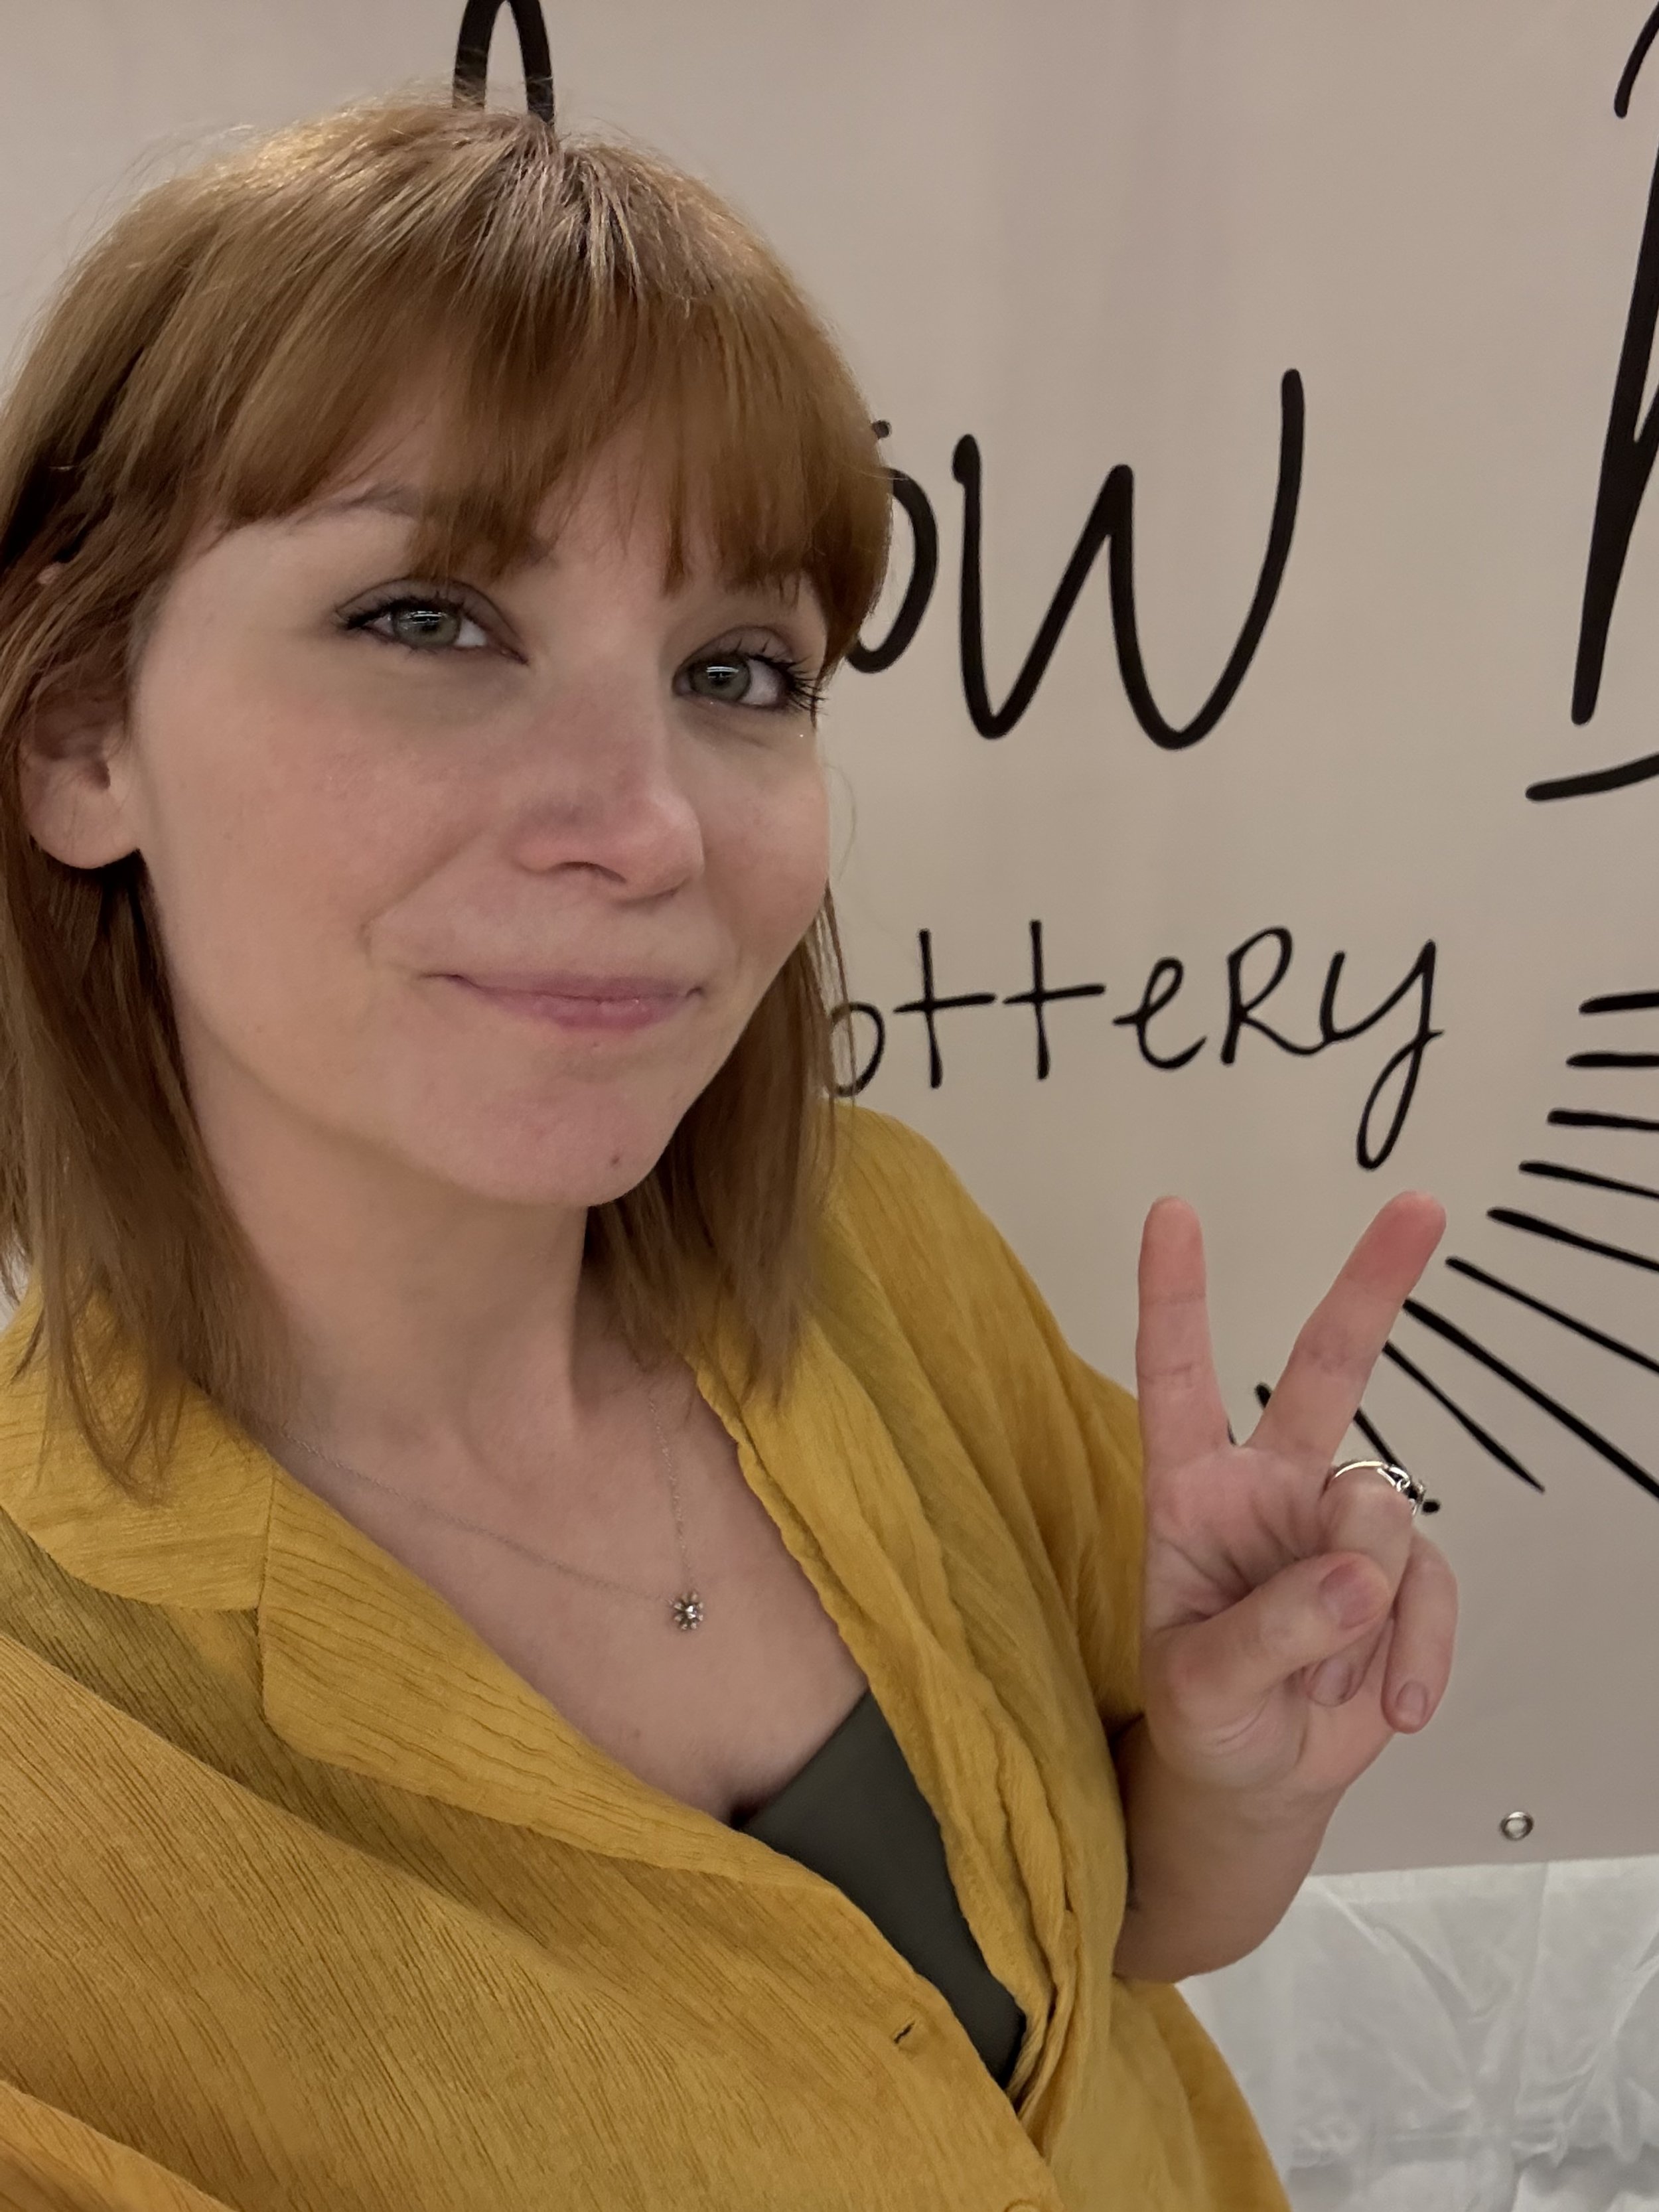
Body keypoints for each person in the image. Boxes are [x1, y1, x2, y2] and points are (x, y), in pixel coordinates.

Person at [0, 89, 1457, 2212]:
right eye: (429, 619)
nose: (652, 819)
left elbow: (1101, 1958)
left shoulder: (880, 1253)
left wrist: (1238, 1778)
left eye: (739, 669)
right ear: (74, 733)